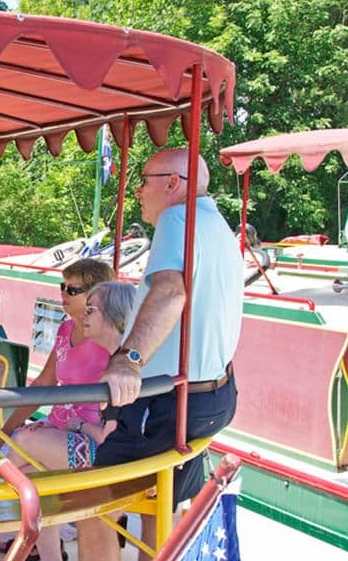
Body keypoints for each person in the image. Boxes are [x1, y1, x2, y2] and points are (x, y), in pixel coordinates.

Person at [78, 148, 242, 560]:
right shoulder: (219, 226)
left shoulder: (177, 218)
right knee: (159, 504)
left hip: (170, 402)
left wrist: (128, 360)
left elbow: (170, 292)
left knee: (91, 506)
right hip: (213, 397)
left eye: (144, 180)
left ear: (172, 183)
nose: (137, 191)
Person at [0, 259, 117, 561]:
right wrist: (2, 432)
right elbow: (44, 383)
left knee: (20, 452)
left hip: (94, 441)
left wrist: (10, 437)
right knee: (32, 480)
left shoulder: (111, 337)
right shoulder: (66, 329)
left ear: (96, 294)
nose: (63, 293)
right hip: (57, 431)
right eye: (62, 286)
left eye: (72, 289)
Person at [0, 280, 135, 561]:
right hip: (103, 451)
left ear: (113, 317)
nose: (83, 315)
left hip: (112, 460)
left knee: (23, 441)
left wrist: (76, 425)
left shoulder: (120, 368)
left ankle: (7, 506)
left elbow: (108, 438)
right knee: (35, 476)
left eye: (91, 310)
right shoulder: (118, 359)